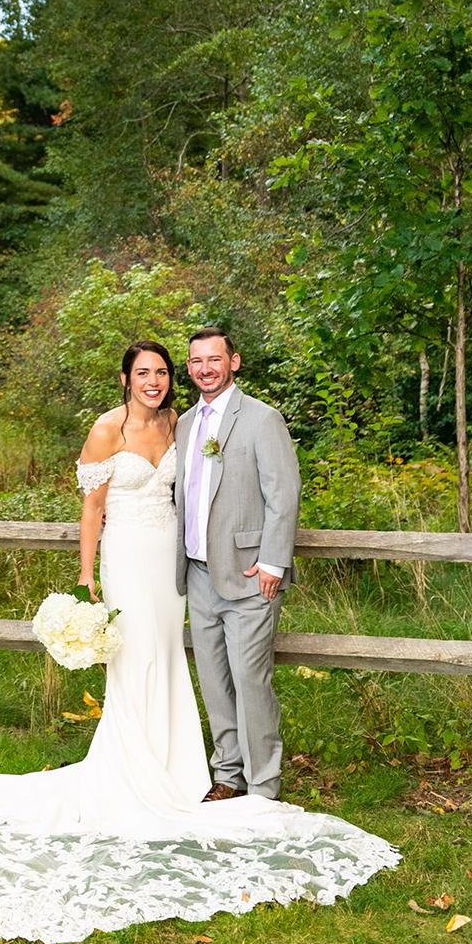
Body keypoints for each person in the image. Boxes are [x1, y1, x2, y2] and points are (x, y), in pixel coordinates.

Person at [0, 341, 398, 944]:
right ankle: (186, 773)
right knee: (158, 665)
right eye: (150, 371)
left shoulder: (200, 420)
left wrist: (273, 557)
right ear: (125, 378)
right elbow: (93, 506)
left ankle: (237, 780)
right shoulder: (126, 426)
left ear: (224, 365)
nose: (163, 379)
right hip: (142, 564)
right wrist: (87, 574)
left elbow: (265, 493)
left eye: (167, 371)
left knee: (192, 665)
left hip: (192, 572)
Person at [175, 328, 299, 801]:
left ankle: (264, 785)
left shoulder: (262, 419)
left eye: (214, 359)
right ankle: (228, 775)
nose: (205, 368)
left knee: (250, 681)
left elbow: (283, 494)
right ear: (189, 368)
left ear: (234, 362)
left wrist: (272, 562)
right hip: (198, 573)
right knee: (214, 680)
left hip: (250, 574)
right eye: (196, 361)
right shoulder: (186, 424)